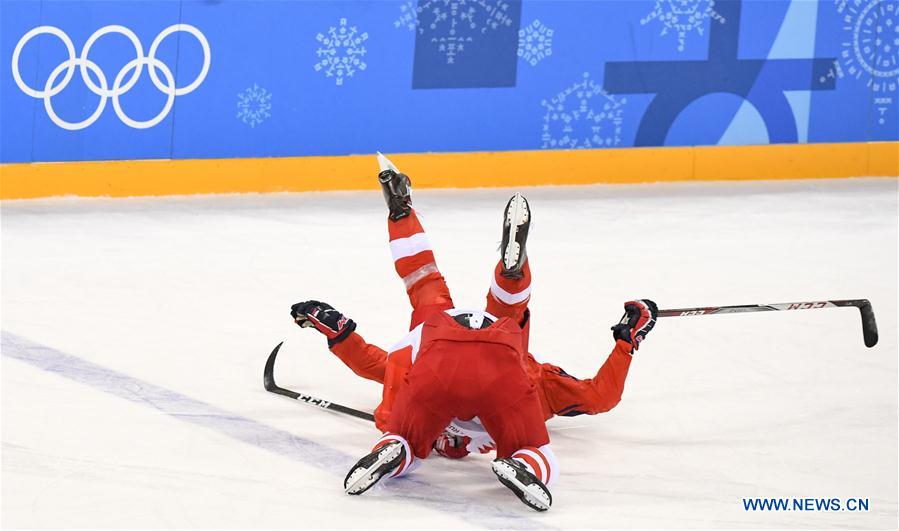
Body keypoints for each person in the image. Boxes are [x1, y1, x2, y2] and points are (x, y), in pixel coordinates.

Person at [290, 155, 658, 510]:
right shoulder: (542, 385)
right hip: (490, 363)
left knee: (427, 286)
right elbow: (599, 397)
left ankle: (413, 218)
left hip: (438, 345)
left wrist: (341, 335)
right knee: (452, 303)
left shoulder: (504, 382)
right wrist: (627, 341)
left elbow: (375, 364)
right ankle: (509, 277)